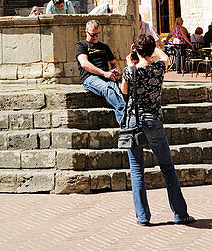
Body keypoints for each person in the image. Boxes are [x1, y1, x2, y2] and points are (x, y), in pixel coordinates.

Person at [120, 35, 194, 226]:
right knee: (167, 168)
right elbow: (166, 58)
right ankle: (180, 214)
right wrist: (156, 47)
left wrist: (130, 63)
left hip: (134, 122)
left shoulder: (130, 71)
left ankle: (143, 216)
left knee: (137, 171)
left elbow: (124, 91)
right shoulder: (158, 68)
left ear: (136, 50)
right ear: (152, 50)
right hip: (153, 120)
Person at [74, 20, 126, 126]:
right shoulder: (81, 45)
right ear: (86, 32)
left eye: (97, 34)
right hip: (90, 77)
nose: (95, 37)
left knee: (118, 92)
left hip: (106, 75)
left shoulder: (104, 47)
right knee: (108, 89)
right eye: (92, 35)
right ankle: (126, 117)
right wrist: (103, 73)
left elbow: (113, 63)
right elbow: (84, 64)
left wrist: (114, 70)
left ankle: (125, 123)